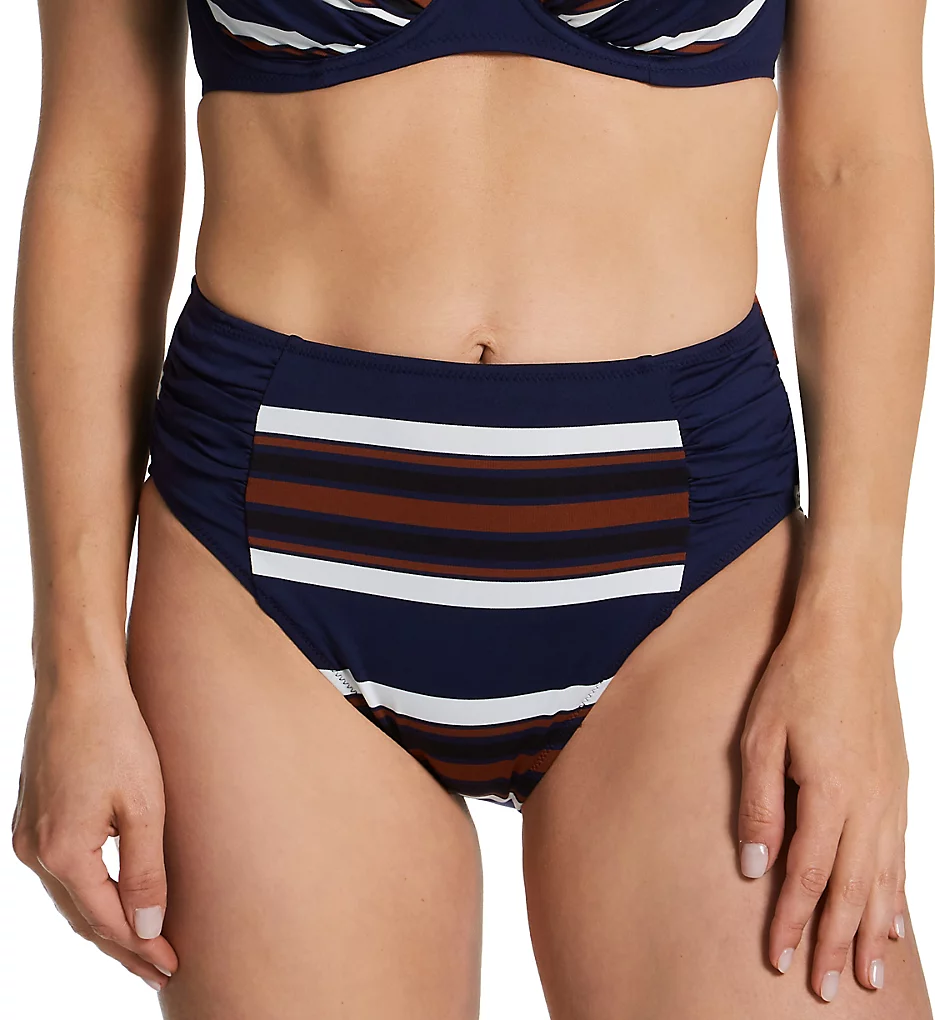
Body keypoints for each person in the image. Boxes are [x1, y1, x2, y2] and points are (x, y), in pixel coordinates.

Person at [10, 0, 934, 1016]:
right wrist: (74, 669)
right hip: (263, 573)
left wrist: (854, 633)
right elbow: (98, 172)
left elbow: (860, 160)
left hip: (697, 575)